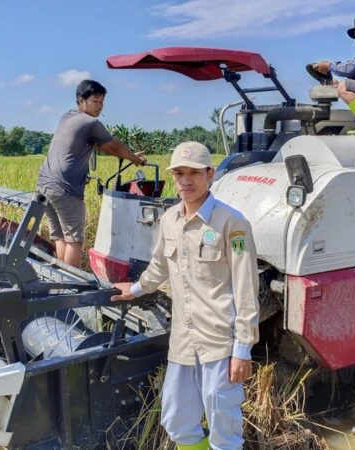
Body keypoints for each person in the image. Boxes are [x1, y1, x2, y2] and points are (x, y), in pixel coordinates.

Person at [112, 142, 259, 450]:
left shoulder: (232, 224)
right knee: (177, 420)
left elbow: (247, 288)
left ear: (210, 174)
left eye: (194, 173)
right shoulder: (169, 221)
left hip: (220, 341)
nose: (185, 181)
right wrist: (135, 289)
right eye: (179, 173)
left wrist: (242, 349)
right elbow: (159, 266)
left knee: (224, 429)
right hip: (183, 341)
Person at [37, 79, 146, 268]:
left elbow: (101, 146)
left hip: (44, 185)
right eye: (95, 101)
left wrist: (127, 156)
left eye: (102, 102)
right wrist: (135, 159)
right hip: (65, 189)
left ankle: (61, 282)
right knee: (74, 240)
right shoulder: (90, 123)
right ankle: (72, 287)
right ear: (81, 100)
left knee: (60, 237)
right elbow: (112, 145)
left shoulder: (67, 116)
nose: (100, 106)